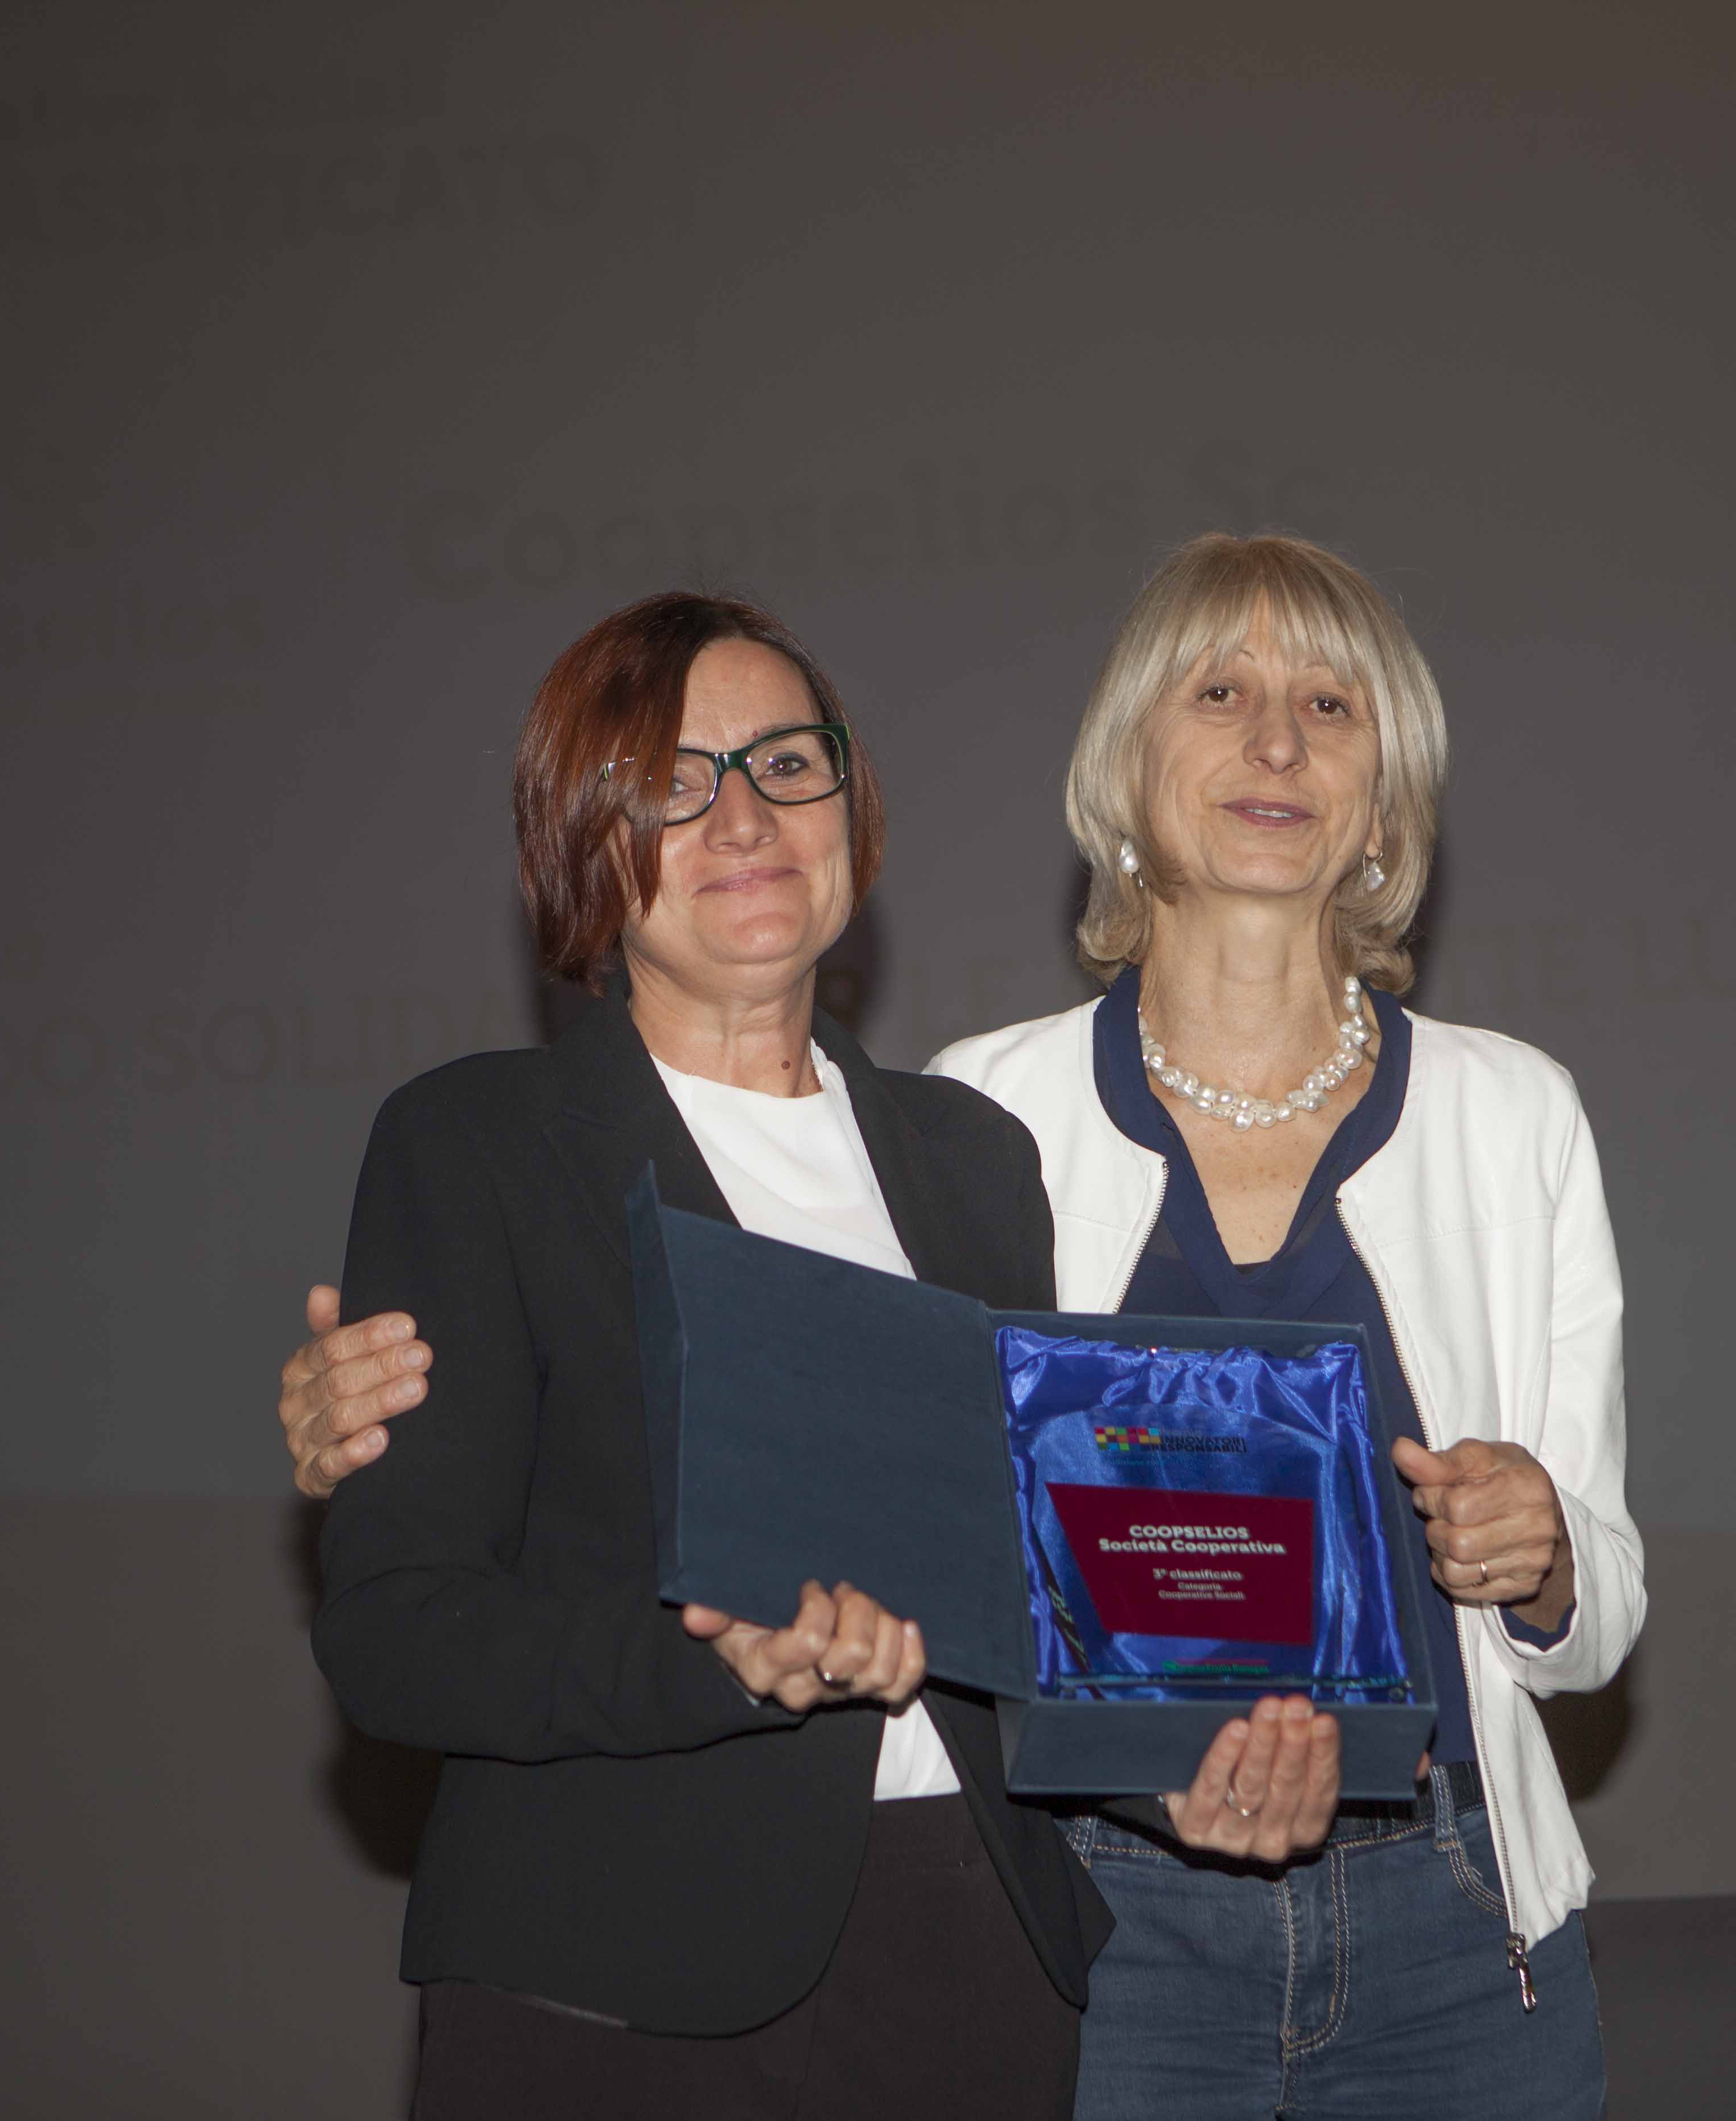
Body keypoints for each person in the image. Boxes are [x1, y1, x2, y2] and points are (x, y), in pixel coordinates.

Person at [288, 536, 1644, 2119]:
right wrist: (713, 1657)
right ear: (583, 837)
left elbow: (1026, 1609)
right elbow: (409, 1619)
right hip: (668, 1972)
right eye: (674, 782)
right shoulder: (513, 1140)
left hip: (1013, 1957)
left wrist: (1201, 1777)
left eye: (786, 766)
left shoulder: (957, 1156)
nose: (745, 818)